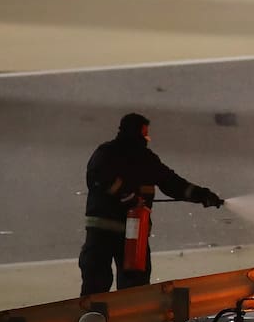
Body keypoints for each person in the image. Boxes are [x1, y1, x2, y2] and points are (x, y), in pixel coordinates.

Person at [78, 112, 224, 296]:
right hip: (111, 232)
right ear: (137, 132)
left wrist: (203, 195)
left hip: (130, 232)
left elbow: (173, 184)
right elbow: (98, 178)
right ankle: (111, 321)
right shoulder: (112, 153)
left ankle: (98, 321)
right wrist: (128, 197)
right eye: (145, 133)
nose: (147, 138)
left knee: (118, 285)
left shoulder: (141, 157)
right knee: (120, 286)